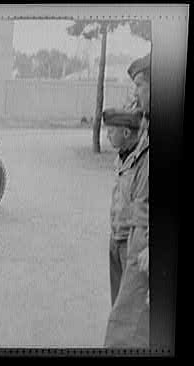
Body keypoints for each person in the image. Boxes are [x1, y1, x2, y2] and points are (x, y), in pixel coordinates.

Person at [104, 54, 150, 348]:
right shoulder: (124, 158)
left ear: (125, 132)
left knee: (125, 321)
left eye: (111, 131)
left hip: (133, 242)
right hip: (118, 236)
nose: (108, 136)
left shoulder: (141, 155)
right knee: (119, 305)